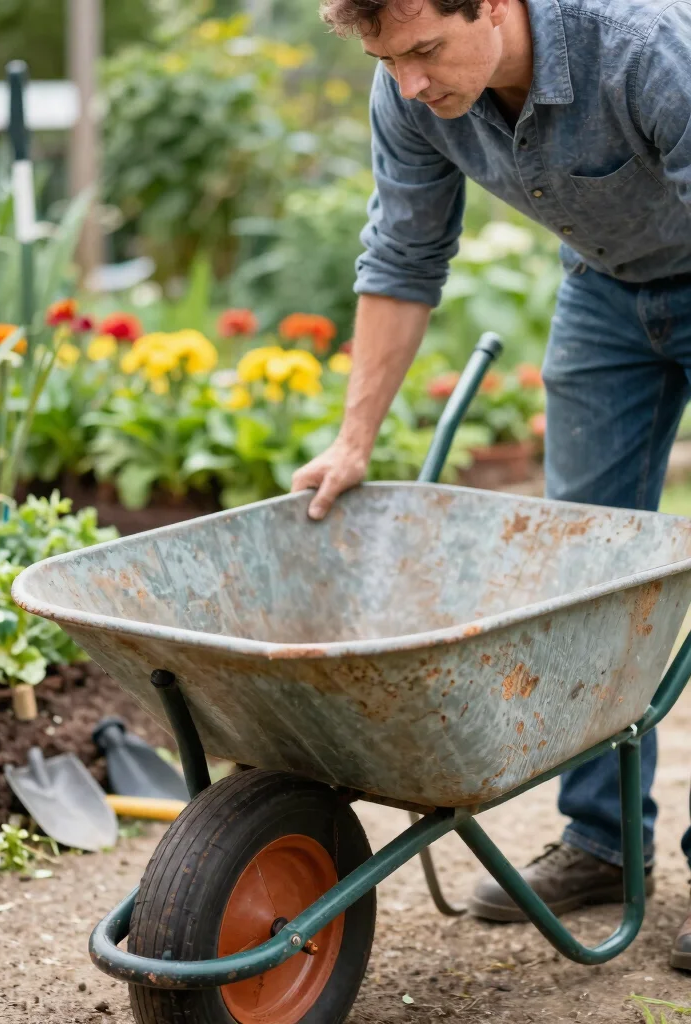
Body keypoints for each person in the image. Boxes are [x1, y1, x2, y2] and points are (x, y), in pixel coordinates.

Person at [290, 0, 691, 969]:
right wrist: (352, 441)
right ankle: (599, 840)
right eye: (390, 61)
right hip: (605, 289)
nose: (412, 83)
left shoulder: (642, 52)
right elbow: (400, 252)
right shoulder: (411, 97)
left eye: (425, 49)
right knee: (577, 568)